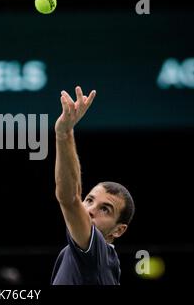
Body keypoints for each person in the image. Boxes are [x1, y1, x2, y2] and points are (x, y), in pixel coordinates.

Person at [51, 86, 135, 285]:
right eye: (89, 200)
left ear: (118, 230)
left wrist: (64, 133)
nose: (89, 210)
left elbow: (70, 199)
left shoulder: (95, 254)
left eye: (105, 209)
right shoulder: (94, 260)